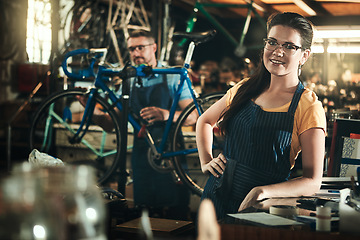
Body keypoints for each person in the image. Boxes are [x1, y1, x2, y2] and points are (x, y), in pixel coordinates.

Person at [196, 12, 326, 220]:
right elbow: (205, 120)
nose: (277, 51)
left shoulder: (307, 105)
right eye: (272, 42)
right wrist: (206, 160)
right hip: (215, 196)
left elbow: (312, 181)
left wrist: (263, 191)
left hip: (259, 209)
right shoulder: (244, 88)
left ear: (304, 55)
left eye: (289, 46)